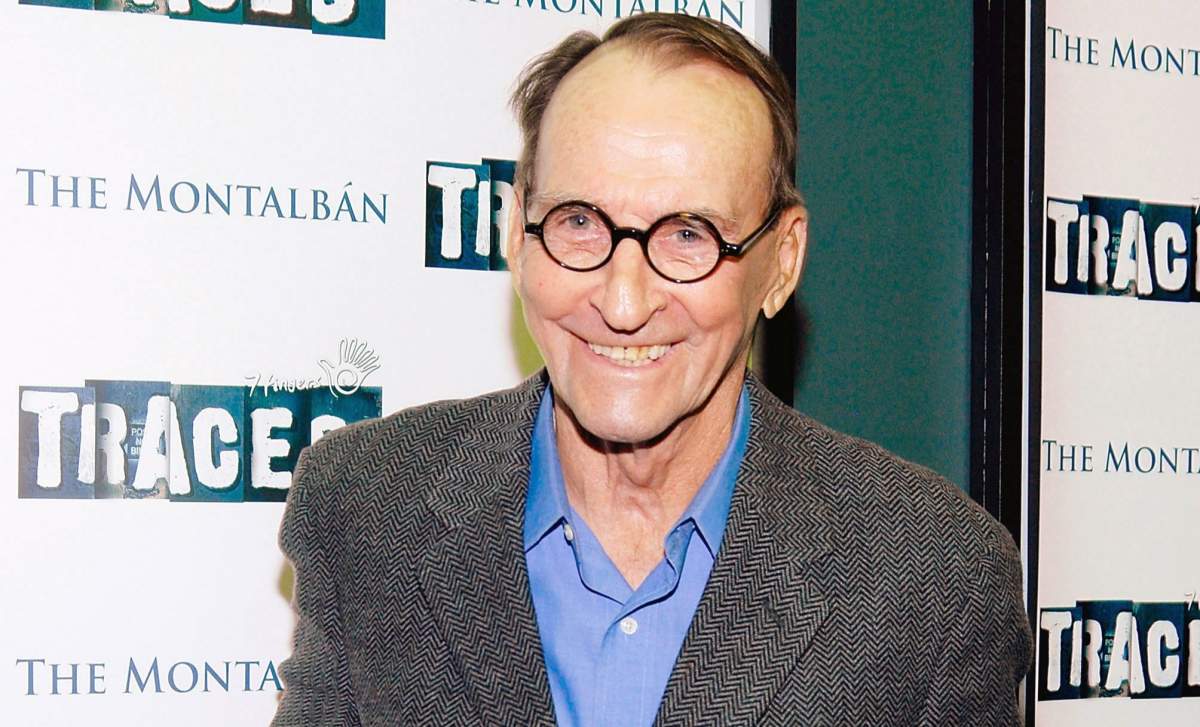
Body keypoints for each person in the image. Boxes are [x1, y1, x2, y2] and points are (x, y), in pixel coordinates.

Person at [272, 13, 1032, 727]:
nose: (625, 301)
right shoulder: (365, 507)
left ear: (782, 261)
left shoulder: (935, 581)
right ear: (517, 232)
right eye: (577, 222)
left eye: (689, 235)